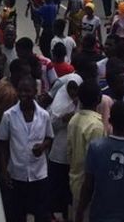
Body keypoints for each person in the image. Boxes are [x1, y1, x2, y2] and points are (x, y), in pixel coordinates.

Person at [75, 100, 124, 222]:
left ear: (110, 121)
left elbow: (88, 185)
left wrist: (80, 211)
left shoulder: (96, 148)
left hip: (99, 216)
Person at [0, 76, 54, 222]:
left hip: (39, 174)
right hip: (17, 173)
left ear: (35, 92)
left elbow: (49, 137)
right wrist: (4, 170)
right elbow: (2, 143)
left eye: (27, 91)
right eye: (20, 91)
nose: (23, 94)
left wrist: (42, 147)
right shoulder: (9, 116)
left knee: (41, 213)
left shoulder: (44, 115)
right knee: (17, 213)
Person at [68, 80, 106, 216]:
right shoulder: (96, 125)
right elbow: (95, 163)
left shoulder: (74, 119)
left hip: (75, 180)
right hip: (88, 188)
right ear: (99, 99)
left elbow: (70, 151)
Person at [49, 74, 82, 220]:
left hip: (74, 151)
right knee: (57, 188)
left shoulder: (81, 102)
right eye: (71, 88)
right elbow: (50, 124)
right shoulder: (59, 101)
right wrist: (63, 119)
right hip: (58, 151)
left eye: (76, 89)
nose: (73, 92)